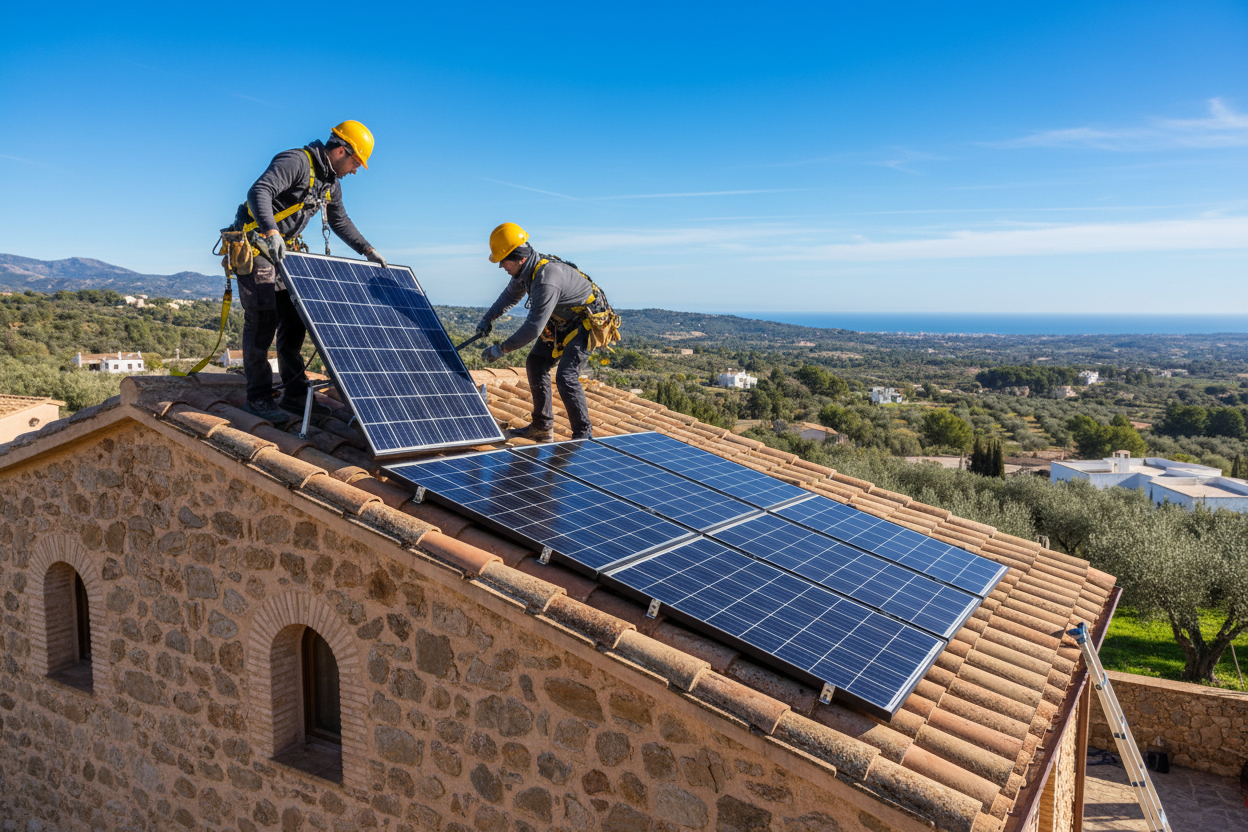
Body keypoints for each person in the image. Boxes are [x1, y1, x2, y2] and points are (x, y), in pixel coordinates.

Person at [224, 120, 387, 422]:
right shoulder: (296, 161)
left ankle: (295, 395)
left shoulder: (330, 183)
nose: (355, 171)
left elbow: (339, 220)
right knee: (262, 321)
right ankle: (258, 398)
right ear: (342, 151)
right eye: (356, 163)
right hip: (257, 247)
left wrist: (367, 250)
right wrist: (271, 231)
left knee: (295, 321)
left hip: (283, 252)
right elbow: (259, 191)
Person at [476, 223, 617, 442]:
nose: (501, 265)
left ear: (520, 258)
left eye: (503, 261)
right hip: (563, 322)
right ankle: (541, 427)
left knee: (566, 376)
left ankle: (583, 437)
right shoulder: (526, 271)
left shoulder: (546, 279)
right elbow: (510, 296)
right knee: (536, 363)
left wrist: (501, 349)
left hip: (586, 322)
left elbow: (533, 328)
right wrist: (488, 319)